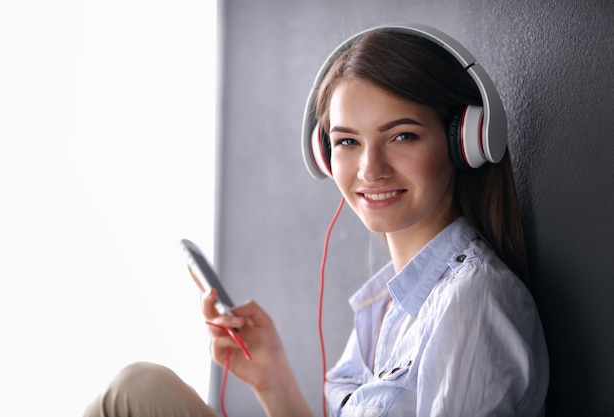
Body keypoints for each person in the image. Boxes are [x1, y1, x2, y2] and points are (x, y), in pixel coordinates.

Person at [82, 25, 549, 417]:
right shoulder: (387, 306)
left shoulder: (471, 300)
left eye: (402, 135)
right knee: (140, 386)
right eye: (348, 142)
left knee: (133, 391)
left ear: (463, 141)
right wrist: (274, 380)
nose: (371, 169)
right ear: (323, 154)